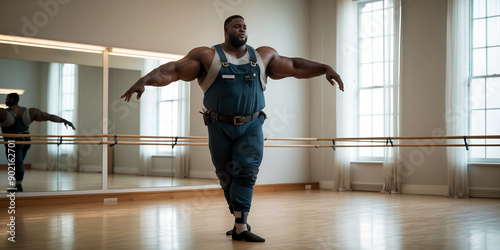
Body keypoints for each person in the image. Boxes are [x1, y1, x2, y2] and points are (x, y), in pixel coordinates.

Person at [121, 15, 344, 242]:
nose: (242, 29)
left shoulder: (263, 56)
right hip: (219, 126)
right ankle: (239, 219)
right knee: (225, 176)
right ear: (226, 30)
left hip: (251, 125)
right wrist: (145, 80)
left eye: (245, 26)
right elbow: (175, 70)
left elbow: (295, 66)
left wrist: (325, 68)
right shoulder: (207, 56)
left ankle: (240, 224)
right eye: (237, 26)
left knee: (246, 171)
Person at [0, 93, 75, 192]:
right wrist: (65, 121)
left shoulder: (3, 113)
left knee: (17, 163)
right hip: (26, 141)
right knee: (18, 163)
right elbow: (48, 116)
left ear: (12, 100)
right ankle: (18, 184)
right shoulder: (30, 112)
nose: (5, 100)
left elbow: (47, 116)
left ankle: (18, 186)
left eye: (7, 99)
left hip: (14, 141)